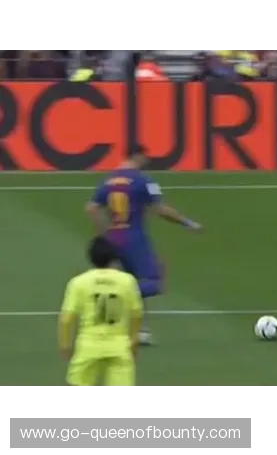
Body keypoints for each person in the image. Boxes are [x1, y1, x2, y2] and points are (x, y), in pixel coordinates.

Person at [85, 145, 202, 344]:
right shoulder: (142, 181)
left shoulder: (109, 180)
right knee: (153, 282)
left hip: (113, 237)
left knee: (133, 279)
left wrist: (103, 234)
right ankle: (112, 298)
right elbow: (161, 209)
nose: (147, 161)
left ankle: (138, 330)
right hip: (134, 238)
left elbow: (91, 207)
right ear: (137, 156)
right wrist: (187, 222)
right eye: (145, 157)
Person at [58, 236, 143, 386]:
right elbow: (136, 314)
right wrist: (134, 341)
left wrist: (65, 345)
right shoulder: (127, 281)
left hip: (88, 346)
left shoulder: (78, 282)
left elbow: (66, 319)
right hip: (119, 347)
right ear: (112, 257)